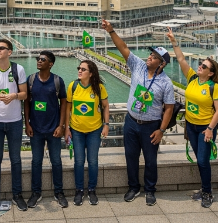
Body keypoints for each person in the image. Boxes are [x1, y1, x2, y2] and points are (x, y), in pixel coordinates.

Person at [102, 19, 174, 206]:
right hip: (132, 122)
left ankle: (150, 190)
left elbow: (169, 109)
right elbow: (123, 48)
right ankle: (133, 187)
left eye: (154, 56)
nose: (149, 57)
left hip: (151, 126)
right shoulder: (138, 67)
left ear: (162, 63)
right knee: (131, 157)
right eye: (150, 54)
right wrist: (111, 31)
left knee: (150, 160)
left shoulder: (166, 83)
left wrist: (162, 130)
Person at [167, 29, 218, 208]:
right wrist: (174, 42)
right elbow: (181, 59)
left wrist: (210, 129)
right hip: (191, 127)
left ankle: (207, 192)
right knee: (200, 160)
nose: (200, 66)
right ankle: (204, 189)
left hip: (205, 129)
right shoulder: (192, 79)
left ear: (211, 73)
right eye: (200, 64)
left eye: (204, 66)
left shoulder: (214, 87)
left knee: (202, 161)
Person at [0, 39, 28, 213]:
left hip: (15, 121)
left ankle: (17, 195)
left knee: (16, 159)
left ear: (10, 52)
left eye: (1, 48)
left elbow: (24, 94)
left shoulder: (18, 69)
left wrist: (14, 96)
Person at [24, 51, 69, 208]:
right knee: (36, 161)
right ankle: (36, 192)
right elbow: (27, 103)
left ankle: (59, 192)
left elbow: (63, 103)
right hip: (35, 129)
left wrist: (61, 125)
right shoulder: (30, 80)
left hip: (53, 129)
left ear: (50, 64)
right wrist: (27, 124)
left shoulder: (57, 81)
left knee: (56, 161)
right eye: (38, 59)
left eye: (42, 59)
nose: (39, 61)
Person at [65, 60, 109, 206]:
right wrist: (66, 128)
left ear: (90, 73)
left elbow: (106, 106)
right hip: (76, 130)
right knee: (78, 161)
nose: (79, 71)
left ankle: (91, 190)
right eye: (79, 68)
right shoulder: (73, 86)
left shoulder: (99, 88)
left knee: (93, 161)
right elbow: (68, 108)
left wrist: (106, 125)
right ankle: (79, 190)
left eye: (83, 69)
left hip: (94, 130)